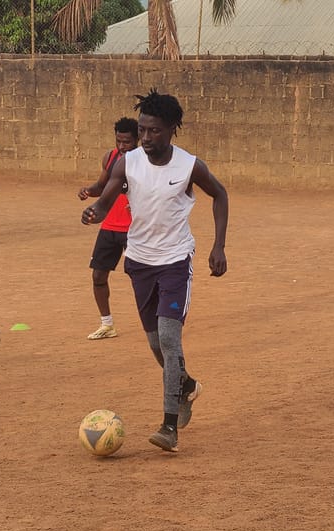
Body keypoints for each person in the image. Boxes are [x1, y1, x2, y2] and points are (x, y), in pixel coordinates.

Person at [82, 89, 228, 452]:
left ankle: (169, 425)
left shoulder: (189, 165)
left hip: (176, 262)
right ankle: (187, 386)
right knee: (154, 343)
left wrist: (219, 246)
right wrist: (94, 212)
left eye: (154, 131)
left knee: (168, 337)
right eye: (143, 130)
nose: (146, 138)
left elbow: (220, 195)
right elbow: (106, 200)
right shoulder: (127, 162)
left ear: (172, 129)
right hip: (140, 262)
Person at [78, 117, 138, 340]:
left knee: (141, 278)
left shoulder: (144, 162)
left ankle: (158, 321)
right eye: (119, 141)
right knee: (98, 276)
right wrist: (88, 191)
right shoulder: (111, 157)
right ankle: (107, 324)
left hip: (134, 230)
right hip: (109, 227)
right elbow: (101, 187)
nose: (122, 146)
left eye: (128, 142)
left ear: (138, 140)